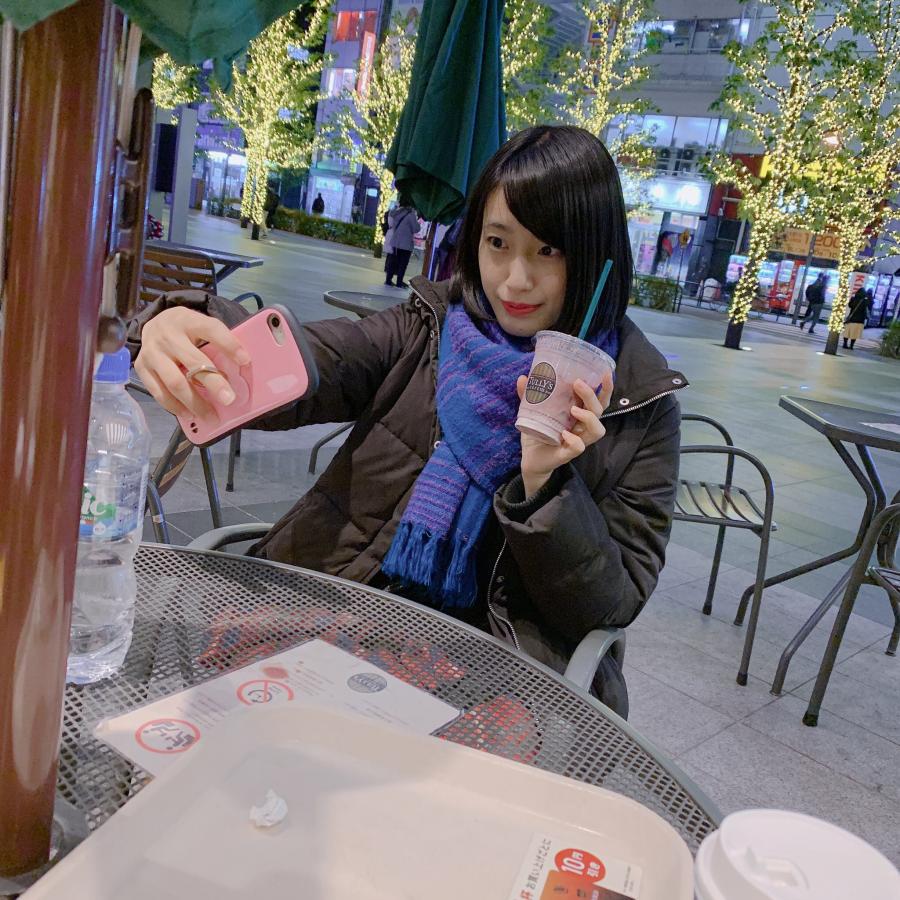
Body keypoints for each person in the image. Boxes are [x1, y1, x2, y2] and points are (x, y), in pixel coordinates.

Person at [132, 125, 688, 717]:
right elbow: (315, 361)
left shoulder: (640, 409)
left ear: (595, 253)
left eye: (547, 251)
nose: (515, 279)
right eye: (497, 243)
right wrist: (189, 326)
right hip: (346, 615)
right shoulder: (426, 330)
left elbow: (606, 606)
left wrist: (545, 488)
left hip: (496, 679)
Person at [384, 196, 418, 288]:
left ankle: (388, 280)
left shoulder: (394, 212)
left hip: (395, 241)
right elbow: (416, 228)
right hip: (405, 244)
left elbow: (391, 223)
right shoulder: (410, 214)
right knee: (403, 264)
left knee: (393, 261)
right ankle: (399, 282)